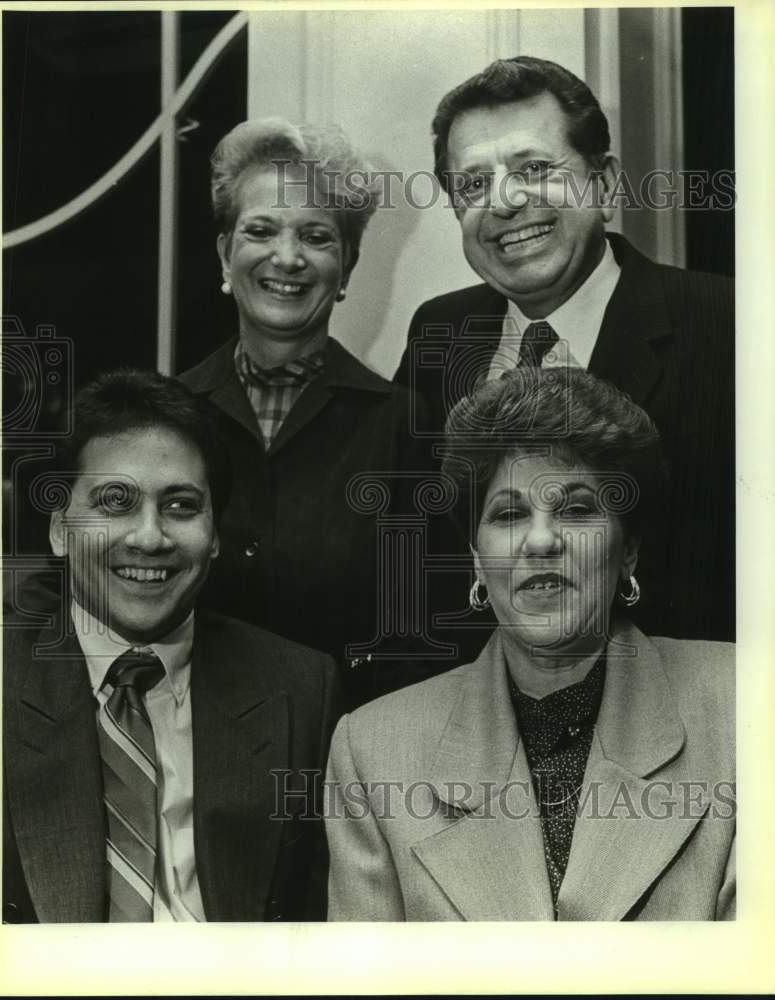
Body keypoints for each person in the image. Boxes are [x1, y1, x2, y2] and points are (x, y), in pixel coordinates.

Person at [325, 369, 735, 921]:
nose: (541, 541)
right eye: (510, 514)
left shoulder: (744, 703)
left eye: (577, 509)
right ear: (475, 557)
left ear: (629, 550)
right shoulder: (372, 750)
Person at [393, 56, 734, 644]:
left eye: (535, 168)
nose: (504, 202)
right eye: (473, 184)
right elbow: (409, 553)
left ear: (603, 185)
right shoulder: (439, 332)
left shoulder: (729, 324)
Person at [3, 369, 340, 923]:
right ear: (61, 529)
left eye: (181, 506)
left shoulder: (300, 692)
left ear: (214, 539)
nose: (150, 537)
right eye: (115, 501)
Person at [180, 117, 430, 705]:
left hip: (347, 763)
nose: (286, 258)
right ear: (225, 254)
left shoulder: (406, 429)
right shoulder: (167, 418)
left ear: (348, 264)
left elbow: (422, 644)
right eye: (261, 230)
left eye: (316, 237)